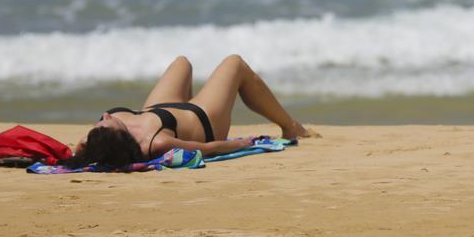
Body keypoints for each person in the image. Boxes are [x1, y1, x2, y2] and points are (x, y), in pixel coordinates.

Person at [64, 54, 312, 168]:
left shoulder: (92, 141)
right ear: (120, 136)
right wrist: (244, 144)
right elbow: (209, 150)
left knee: (182, 63)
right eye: (107, 122)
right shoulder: (156, 142)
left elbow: (71, 154)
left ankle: (193, 100)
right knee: (234, 64)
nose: (106, 116)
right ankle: (290, 126)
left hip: (161, 109)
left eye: (102, 120)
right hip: (204, 118)